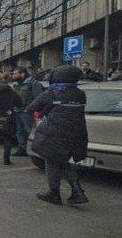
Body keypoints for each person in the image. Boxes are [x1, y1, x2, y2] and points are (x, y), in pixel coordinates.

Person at [26, 65, 89, 205]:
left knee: (51, 161)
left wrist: (43, 110)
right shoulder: (80, 94)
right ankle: (77, 191)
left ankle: (54, 193)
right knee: (63, 160)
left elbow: (31, 107)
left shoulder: (51, 93)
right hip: (76, 132)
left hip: (55, 133)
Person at [12, 66, 44, 156]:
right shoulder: (17, 84)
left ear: (22, 74)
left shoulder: (33, 83)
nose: (13, 75)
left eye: (15, 73)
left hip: (27, 112)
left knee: (29, 131)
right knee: (19, 131)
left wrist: (30, 109)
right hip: (17, 111)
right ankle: (22, 149)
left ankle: (34, 150)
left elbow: (38, 98)